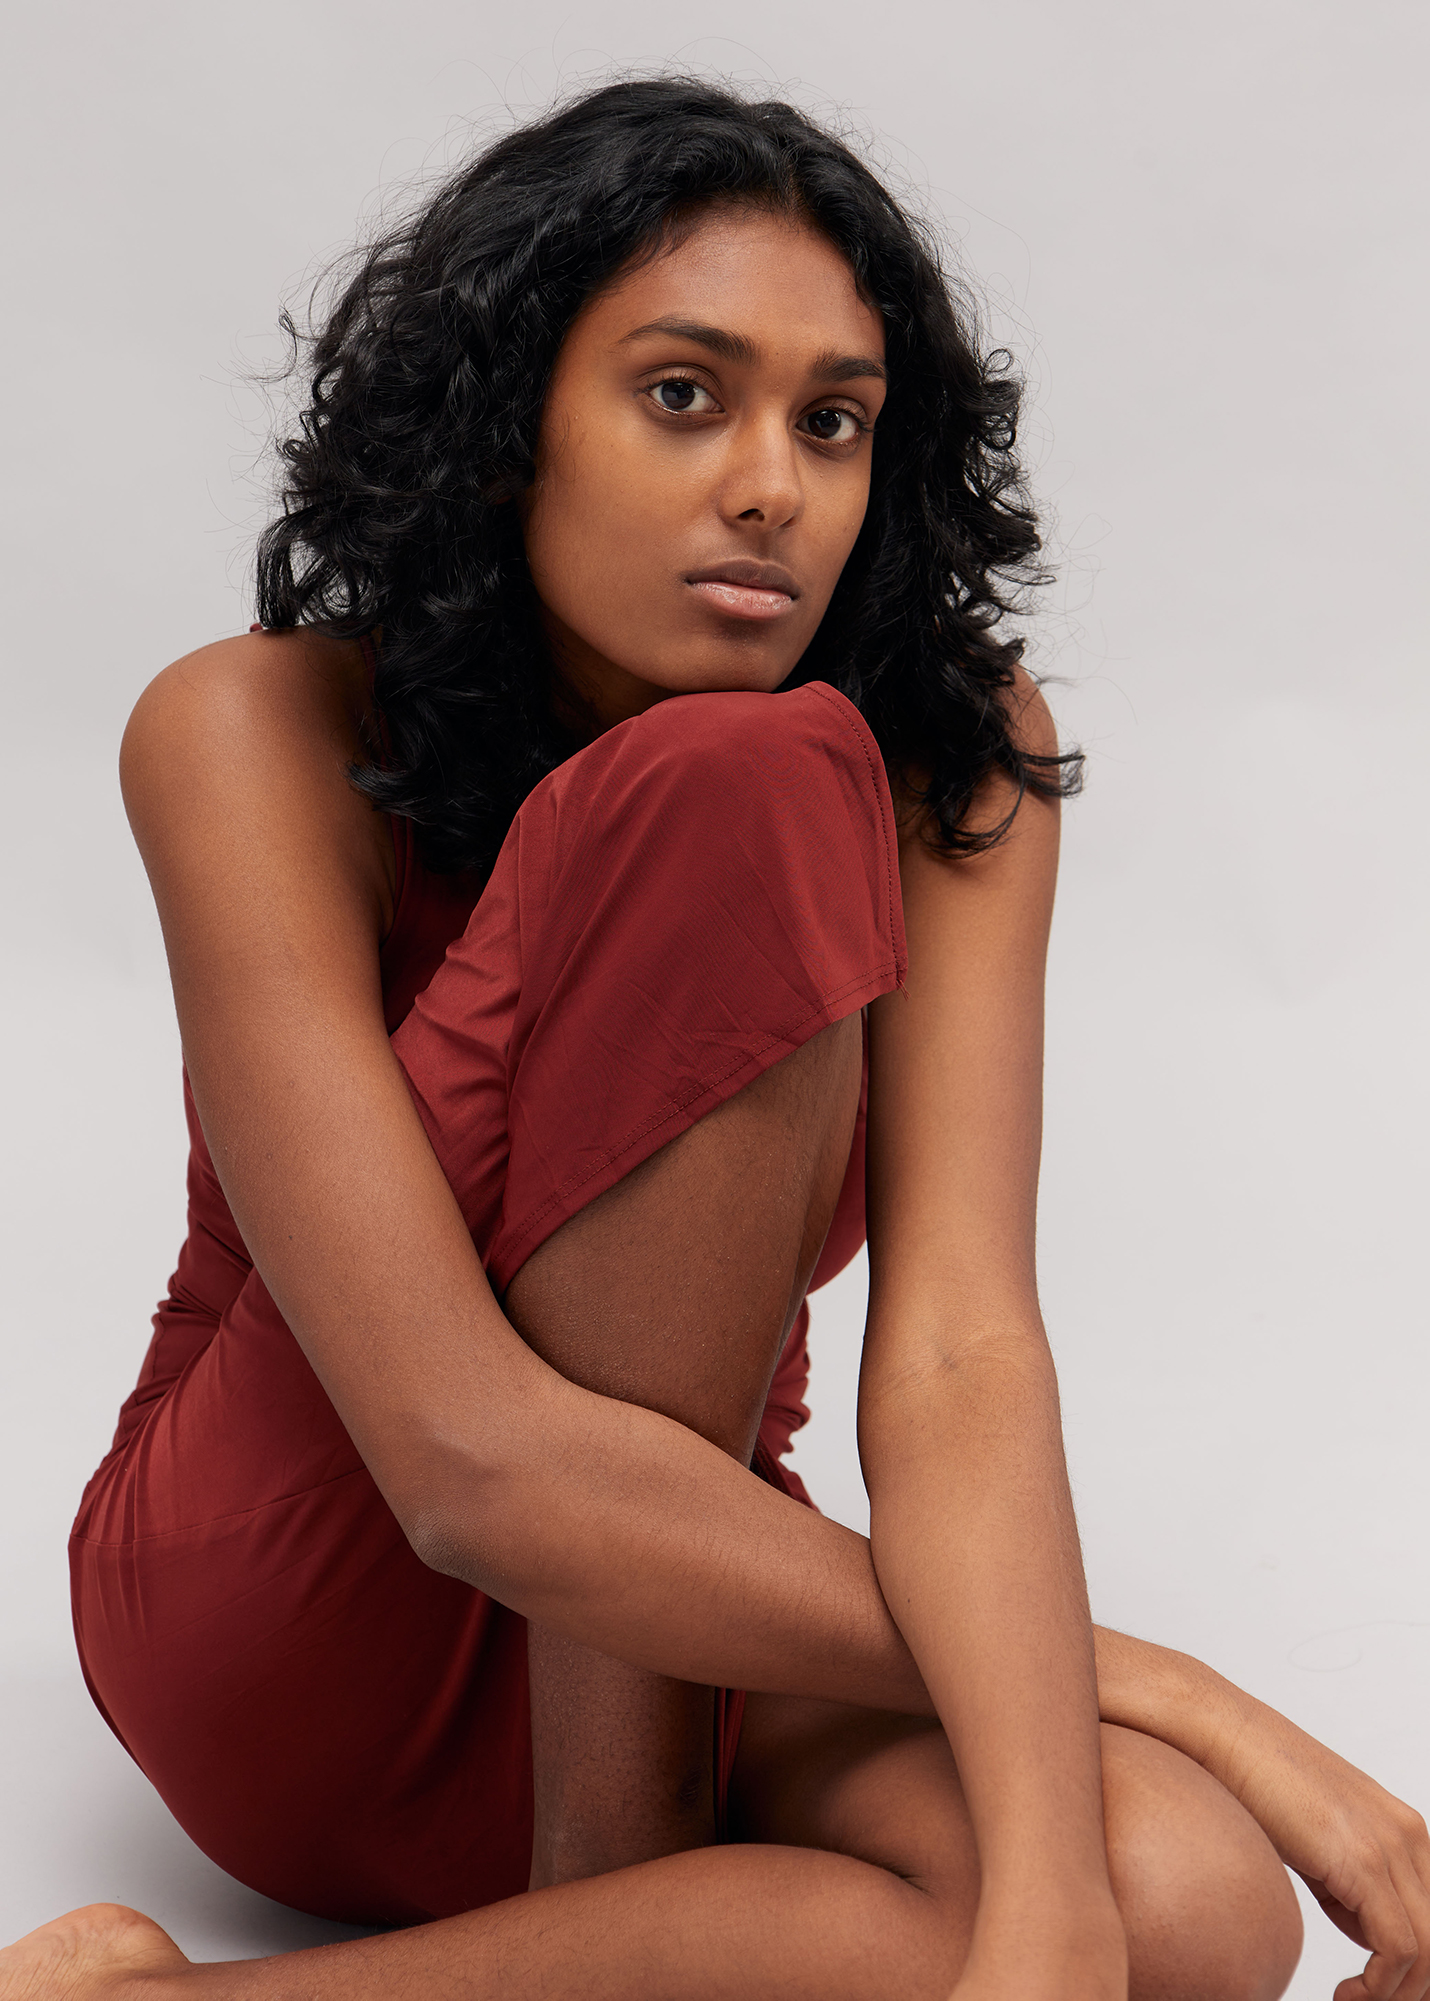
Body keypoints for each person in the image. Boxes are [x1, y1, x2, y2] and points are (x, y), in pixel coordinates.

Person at [3, 77, 1425, 2001]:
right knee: (740, 788)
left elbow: (957, 1348)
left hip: (691, 1581)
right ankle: (624, 1871)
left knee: (1185, 1905)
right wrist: (1163, 1685)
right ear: (512, 426)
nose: (772, 480)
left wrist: (1056, 1913)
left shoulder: (950, 760)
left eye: (831, 421)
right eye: (684, 394)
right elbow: (459, 1458)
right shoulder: (247, 731)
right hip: (312, 1573)